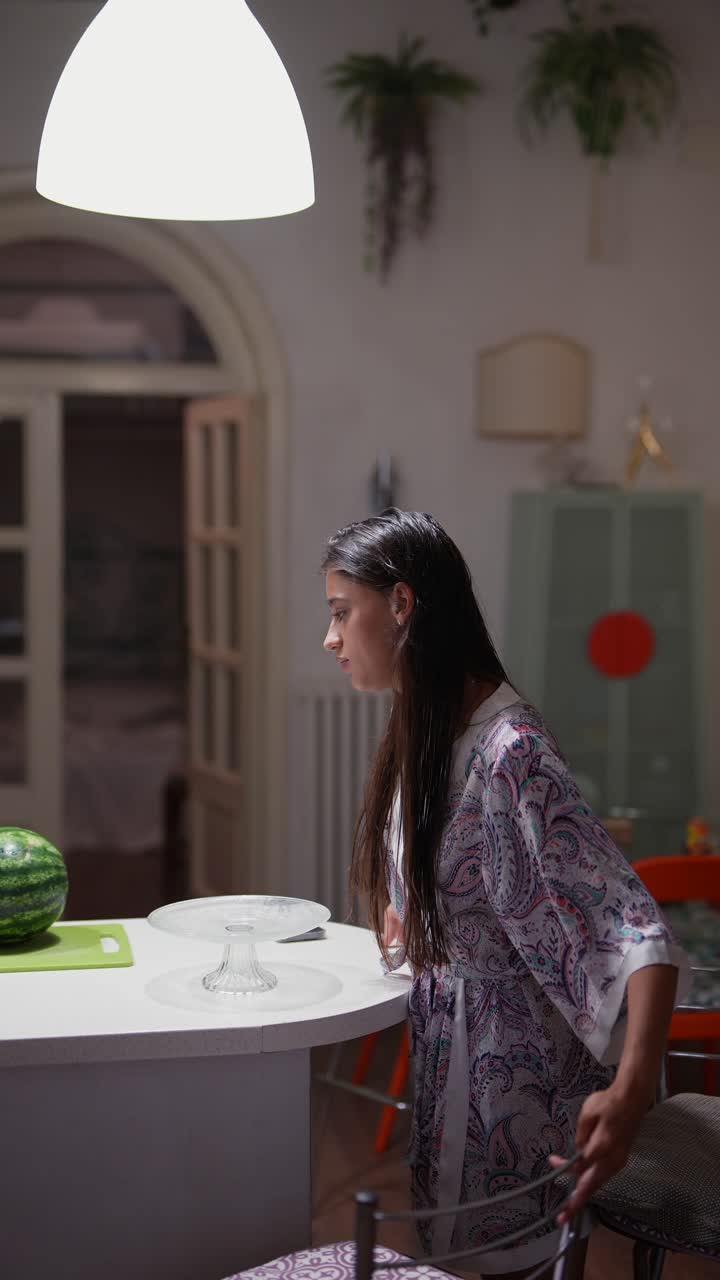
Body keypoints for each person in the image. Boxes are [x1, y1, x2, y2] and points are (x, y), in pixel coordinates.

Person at [321, 508, 688, 1280]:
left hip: (516, 1091)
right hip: (451, 1062)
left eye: (340, 612)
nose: (331, 638)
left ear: (401, 603)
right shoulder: (429, 724)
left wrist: (629, 1097)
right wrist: (416, 908)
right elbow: (459, 869)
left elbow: (636, 931)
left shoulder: (511, 752)